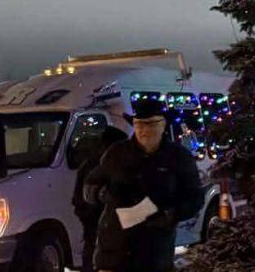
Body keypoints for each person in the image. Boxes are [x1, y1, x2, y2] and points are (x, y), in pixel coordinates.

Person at [84, 99, 204, 272]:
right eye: (139, 124)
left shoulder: (178, 157)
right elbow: (90, 184)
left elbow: (195, 198)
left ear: (162, 126)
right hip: (114, 252)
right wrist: (103, 194)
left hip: (155, 253)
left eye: (151, 124)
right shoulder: (117, 153)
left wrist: (171, 215)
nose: (144, 130)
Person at [72, 126, 128, 272]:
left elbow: (78, 201)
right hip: (102, 232)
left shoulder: (91, 164)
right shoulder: (102, 167)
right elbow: (82, 199)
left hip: (97, 233)